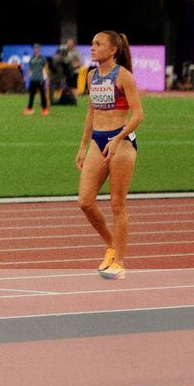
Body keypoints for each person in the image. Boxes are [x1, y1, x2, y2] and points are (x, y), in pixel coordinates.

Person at [77, 29, 145, 280]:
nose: (92, 48)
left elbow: (138, 114)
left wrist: (117, 138)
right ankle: (112, 245)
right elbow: (91, 113)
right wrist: (83, 147)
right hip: (97, 140)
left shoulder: (123, 77)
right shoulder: (92, 75)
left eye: (98, 44)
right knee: (85, 201)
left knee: (117, 203)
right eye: (92, 43)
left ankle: (119, 263)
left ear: (112, 50)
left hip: (122, 140)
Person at [23, 42, 50, 115]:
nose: (35, 50)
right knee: (31, 94)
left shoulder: (42, 58)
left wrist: (47, 79)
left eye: (36, 48)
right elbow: (30, 68)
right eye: (34, 48)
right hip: (33, 79)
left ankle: (44, 109)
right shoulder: (32, 58)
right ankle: (29, 108)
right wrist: (26, 76)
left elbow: (46, 68)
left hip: (40, 79)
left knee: (42, 94)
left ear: (39, 49)